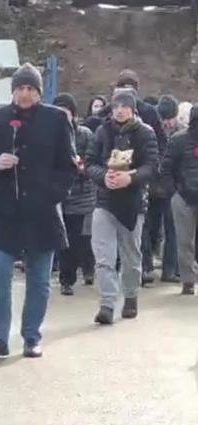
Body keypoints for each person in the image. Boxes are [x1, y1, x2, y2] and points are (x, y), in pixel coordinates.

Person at [0, 63, 77, 359]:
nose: (25, 94)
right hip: (4, 213)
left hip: (42, 213)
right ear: (13, 90)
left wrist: (52, 195)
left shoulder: (56, 119)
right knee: (0, 273)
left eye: (31, 88)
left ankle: (32, 336)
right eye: (20, 88)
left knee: (39, 279)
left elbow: (68, 165)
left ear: (39, 92)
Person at [85, 90, 159, 325]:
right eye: (116, 106)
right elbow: (90, 163)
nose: (119, 110)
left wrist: (132, 177)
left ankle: (130, 296)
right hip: (104, 201)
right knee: (103, 256)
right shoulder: (102, 131)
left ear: (133, 108)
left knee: (131, 255)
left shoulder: (145, 133)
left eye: (124, 106)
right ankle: (106, 303)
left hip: (132, 202)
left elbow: (152, 166)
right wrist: (102, 177)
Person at [53, 93, 96, 295]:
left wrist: (82, 167)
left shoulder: (85, 134)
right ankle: (66, 279)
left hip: (81, 194)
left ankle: (87, 267)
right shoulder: (48, 134)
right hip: (58, 194)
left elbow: (93, 160)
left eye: (66, 112)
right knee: (63, 239)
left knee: (80, 238)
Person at [141, 94, 180, 284]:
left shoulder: (180, 135)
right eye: (165, 119)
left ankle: (170, 269)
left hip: (171, 189)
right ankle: (146, 265)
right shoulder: (151, 131)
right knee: (149, 228)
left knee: (172, 230)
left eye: (170, 118)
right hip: (152, 187)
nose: (168, 123)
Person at [161, 104, 198, 295]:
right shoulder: (178, 140)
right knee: (184, 240)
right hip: (183, 197)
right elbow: (166, 168)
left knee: (187, 241)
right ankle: (188, 280)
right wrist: (173, 191)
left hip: (185, 194)